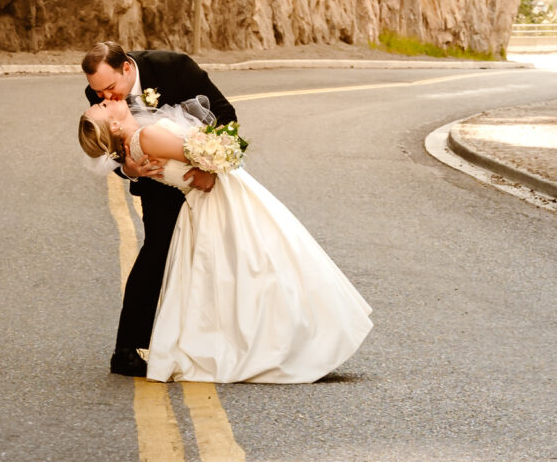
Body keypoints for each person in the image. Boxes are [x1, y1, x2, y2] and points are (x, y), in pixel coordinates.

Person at [79, 92, 372, 383]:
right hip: (219, 195)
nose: (108, 99)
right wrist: (225, 152)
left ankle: (281, 340)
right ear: (114, 128)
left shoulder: (135, 149)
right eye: (103, 106)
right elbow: (204, 154)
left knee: (252, 271)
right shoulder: (147, 137)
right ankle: (293, 342)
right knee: (267, 263)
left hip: (209, 200)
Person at [82, 39, 238, 376]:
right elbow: (105, 144)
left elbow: (225, 115)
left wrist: (207, 168)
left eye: (110, 88)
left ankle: (215, 337)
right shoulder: (97, 90)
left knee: (216, 255)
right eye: (99, 94)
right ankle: (126, 349)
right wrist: (129, 168)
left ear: (127, 68)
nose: (105, 98)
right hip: (157, 181)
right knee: (157, 252)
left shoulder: (174, 67)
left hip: (202, 172)